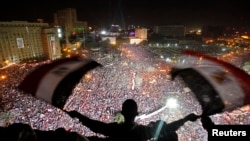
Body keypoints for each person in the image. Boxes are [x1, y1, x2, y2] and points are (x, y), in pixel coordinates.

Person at [66, 99, 198, 141]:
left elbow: (95, 126)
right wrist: (185, 119)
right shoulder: (142, 132)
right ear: (137, 113)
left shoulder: (114, 129)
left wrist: (78, 115)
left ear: (122, 113)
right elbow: (168, 128)